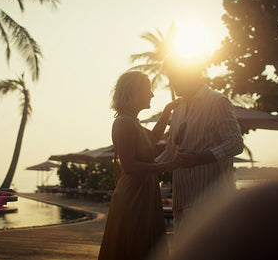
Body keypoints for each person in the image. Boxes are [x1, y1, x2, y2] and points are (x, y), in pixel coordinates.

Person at [98, 71, 182, 260]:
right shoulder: (123, 123)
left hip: (143, 193)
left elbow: (153, 138)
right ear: (134, 92)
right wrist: (170, 165)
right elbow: (130, 166)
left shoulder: (131, 122)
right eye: (148, 89)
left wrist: (168, 110)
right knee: (135, 247)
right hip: (133, 197)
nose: (152, 94)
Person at [156, 55, 244, 234]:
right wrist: (144, 169)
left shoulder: (217, 102)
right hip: (182, 199)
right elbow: (171, 151)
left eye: (174, 77)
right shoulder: (178, 108)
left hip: (210, 202)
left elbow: (235, 143)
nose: (171, 83)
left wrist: (198, 159)